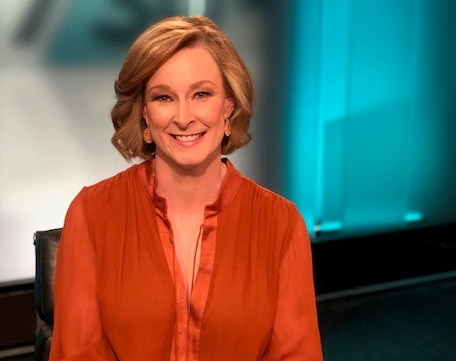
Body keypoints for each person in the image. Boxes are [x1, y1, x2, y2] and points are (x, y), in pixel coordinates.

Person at [49, 15, 323, 361]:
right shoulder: (92, 213)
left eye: (201, 94)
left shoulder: (280, 224)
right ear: (145, 114)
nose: (183, 117)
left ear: (229, 105)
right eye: (164, 98)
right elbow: (78, 354)